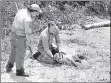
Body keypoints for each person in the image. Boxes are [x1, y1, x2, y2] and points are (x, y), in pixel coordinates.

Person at [6, 4, 42, 77]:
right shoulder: (28, 20)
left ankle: (9, 66)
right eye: (37, 13)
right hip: (20, 37)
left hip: (13, 33)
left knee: (14, 51)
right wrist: (32, 47)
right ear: (33, 11)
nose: (37, 14)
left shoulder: (22, 11)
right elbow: (28, 35)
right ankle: (19, 71)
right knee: (21, 54)